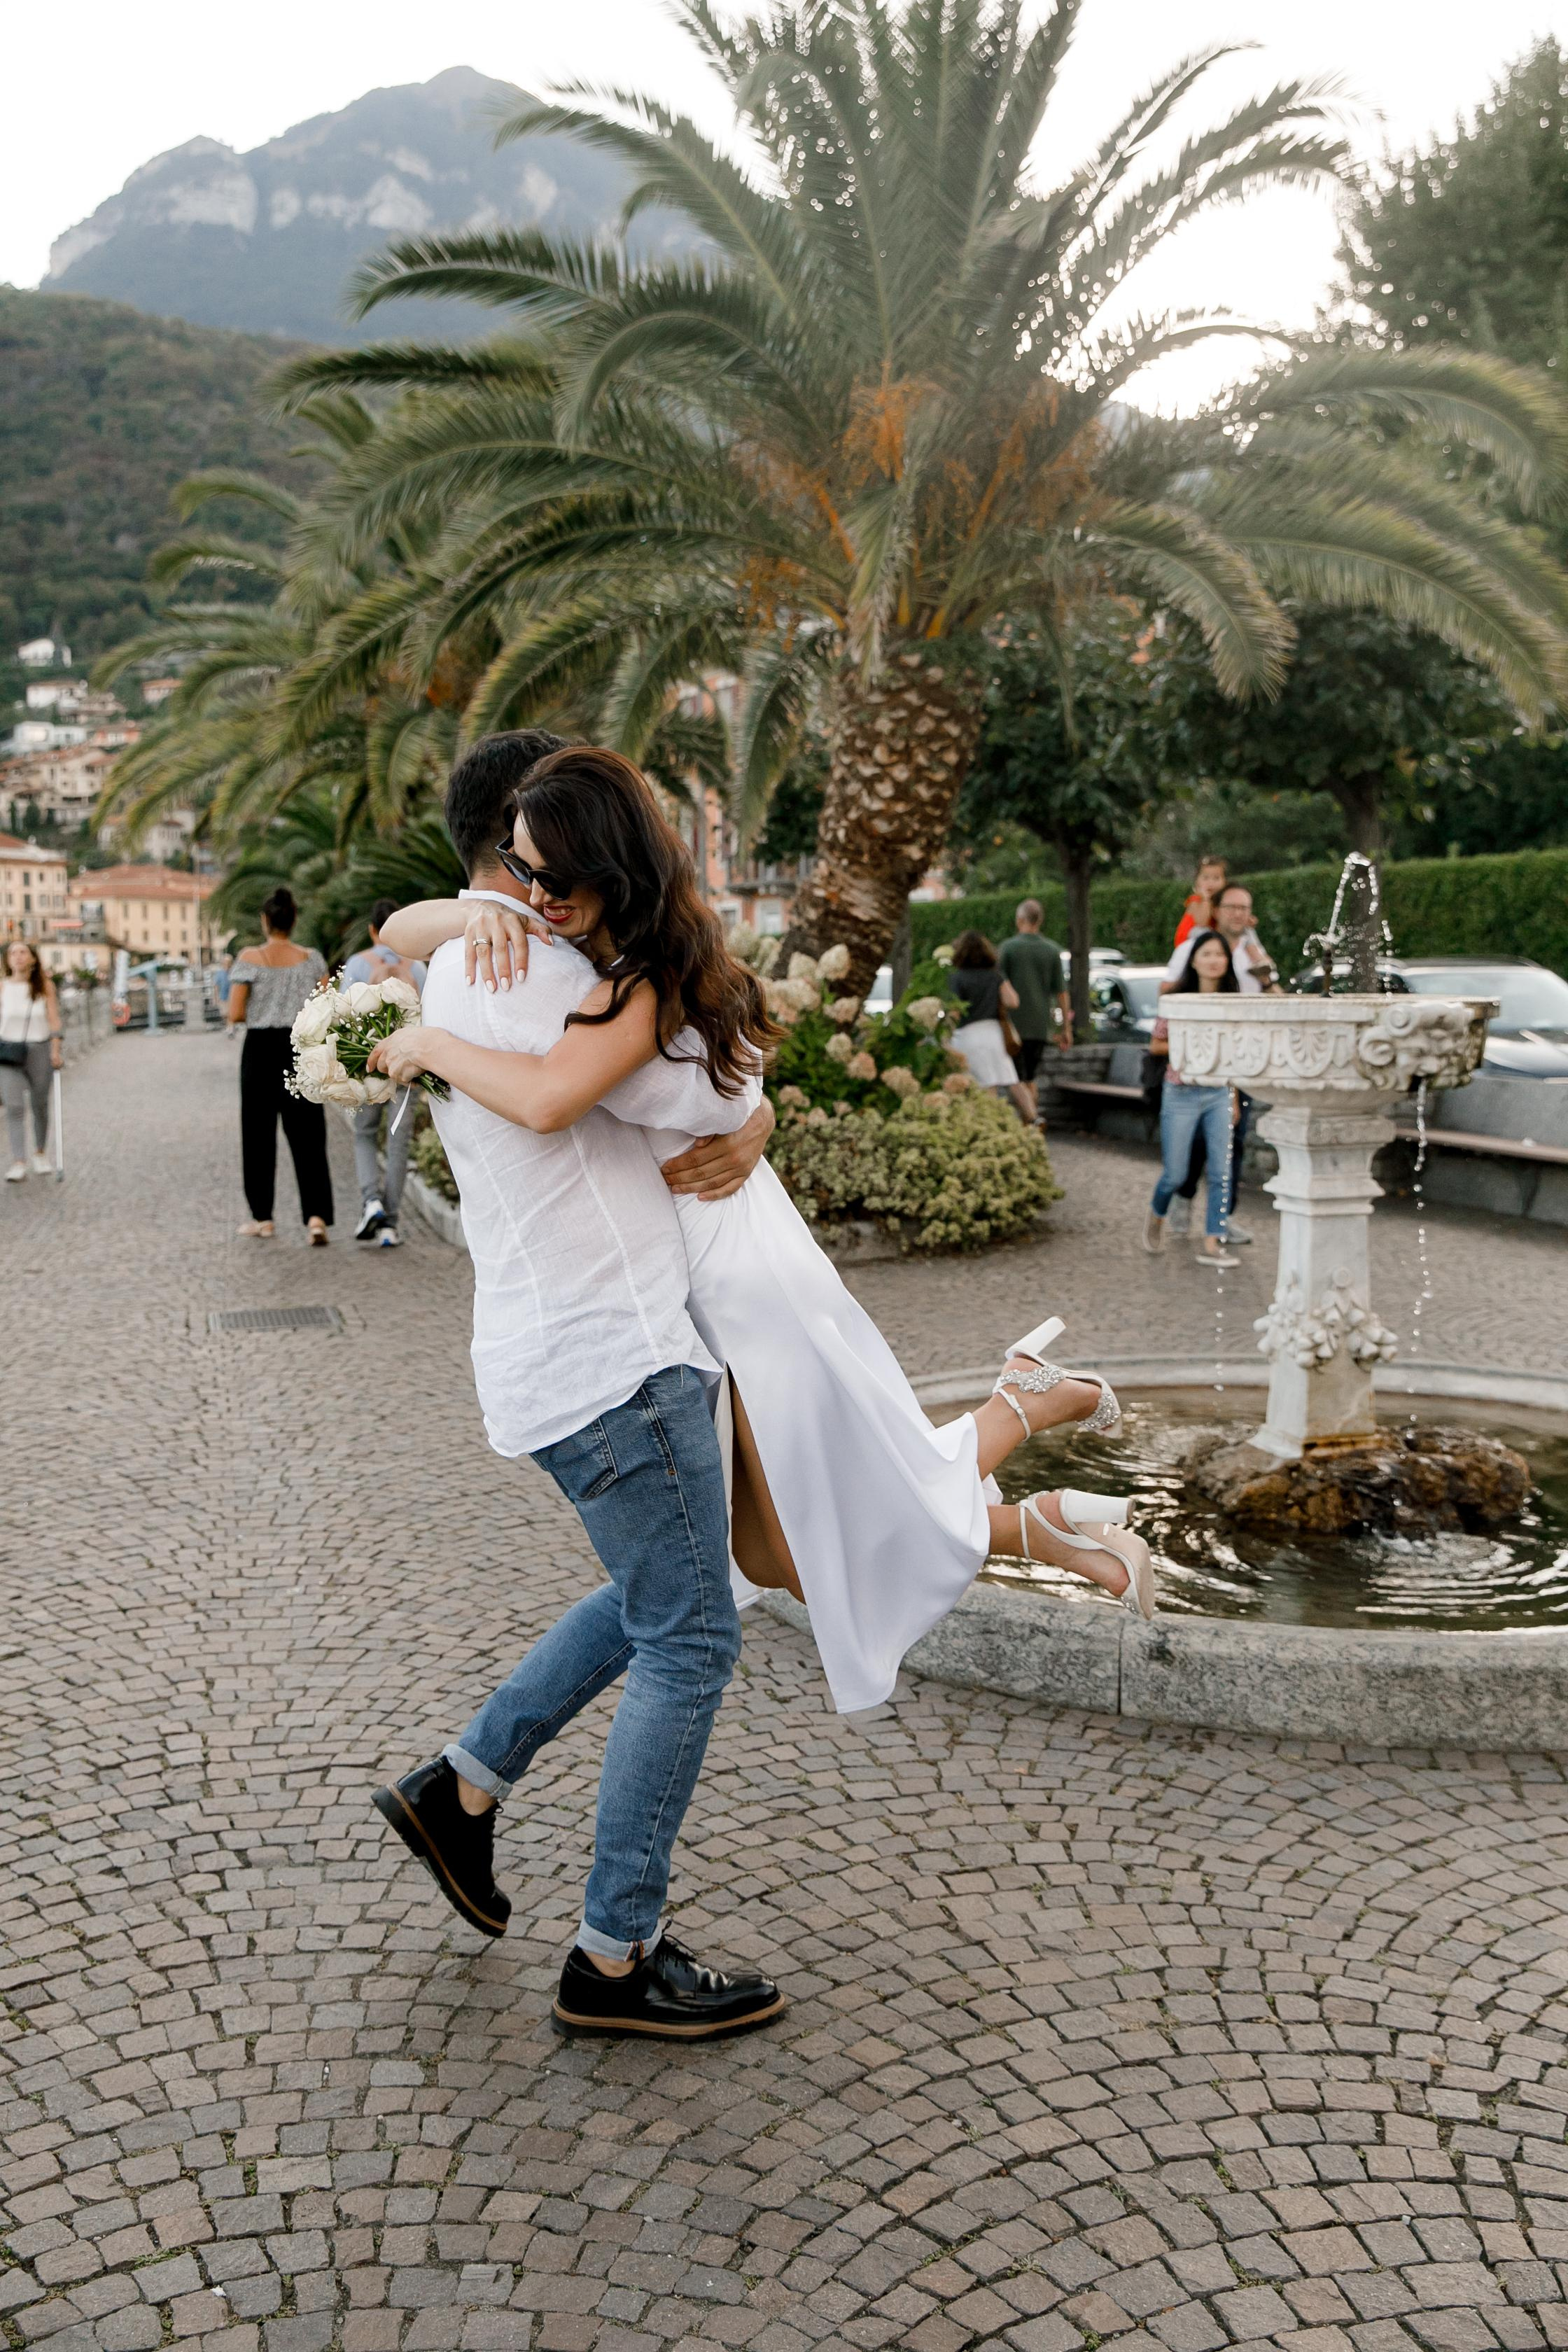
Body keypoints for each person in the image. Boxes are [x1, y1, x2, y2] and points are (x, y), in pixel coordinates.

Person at [367, 739, 1152, 2031]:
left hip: (601, 1344)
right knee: (695, 1629)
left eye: (555, 879)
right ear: (501, 859)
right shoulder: (529, 967)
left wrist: (434, 1018)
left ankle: (462, 1790)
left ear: (604, 872)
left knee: (690, 1582)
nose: (537, 898)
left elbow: (663, 1074)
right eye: (521, 873)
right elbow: (573, 1089)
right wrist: (445, 1008)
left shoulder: (536, 975)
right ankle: (612, 1957)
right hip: (624, 1355)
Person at [1162, 882, 1278, 1244]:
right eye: (1232, 907)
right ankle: (1183, 1198)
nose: (1238, 914)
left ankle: (1222, 1219)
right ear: (1219, 910)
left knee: (1234, 1142)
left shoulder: (1252, 954)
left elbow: (1277, 1002)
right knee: (1197, 1141)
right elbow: (1167, 995)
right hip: (1199, 1062)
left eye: (1245, 908)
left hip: (1238, 1061)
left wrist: (1266, 975)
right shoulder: (1193, 947)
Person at [227, 888, 332, 1243]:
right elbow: (325, 1007)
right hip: (301, 1049)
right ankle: (316, 1218)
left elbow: (235, 1012)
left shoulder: (249, 958)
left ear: (265, 920)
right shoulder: (313, 958)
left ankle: (263, 1218)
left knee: (257, 1133)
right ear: (294, 919)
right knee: (309, 1134)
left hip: (260, 1049)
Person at [1143, 930, 1242, 1266]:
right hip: (1181, 1092)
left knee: (1221, 1172)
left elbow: (1236, 1055)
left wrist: (1234, 1097)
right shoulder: (1176, 996)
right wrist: (1193, 1043)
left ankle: (1213, 1241)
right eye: (1207, 954)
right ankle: (1157, 1215)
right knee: (1175, 1173)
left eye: (1220, 954)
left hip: (1218, 1092)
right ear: (1194, 960)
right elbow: (1156, 1044)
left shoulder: (1233, 1000)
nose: (1214, 960)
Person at [340, 897, 428, 1247]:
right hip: (407, 1065)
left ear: (372, 930)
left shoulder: (358, 964)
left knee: (364, 1134)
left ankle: (370, 1202)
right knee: (397, 1140)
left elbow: (344, 1017)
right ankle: (390, 1224)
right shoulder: (418, 967)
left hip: (368, 1063)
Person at [946, 930, 1036, 1124]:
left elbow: (954, 1012)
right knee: (1007, 1080)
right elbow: (1013, 1001)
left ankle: (986, 1126)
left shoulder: (956, 978)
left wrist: (944, 1037)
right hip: (994, 1034)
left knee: (978, 1083)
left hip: (967, 1036)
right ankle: (1034, 1118)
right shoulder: (995, 975)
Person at [997, 899, 1070, 1119]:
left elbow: (999, 987)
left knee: (1017, 1078)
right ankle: (1032, 1125)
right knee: (1029, 1077)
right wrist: (1065, 1027)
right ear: (1040, 920)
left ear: (1019, 920)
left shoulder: (1008, 949)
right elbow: (1061, 992)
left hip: (1013, 1026)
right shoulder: (1051, 951)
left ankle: (1031, 1123)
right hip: (1040, 1026)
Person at [1, 941, 62, 1181]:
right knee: (14, 1107)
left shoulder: (44, 987)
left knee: (39, 1104)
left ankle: (40, 1153)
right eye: (12, 953)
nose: (17, 957)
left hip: (39, 1050)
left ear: (33, 959)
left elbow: (54, 1021)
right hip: (8, 1053)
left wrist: (56, 1050)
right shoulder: (2, 987)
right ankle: (18, 1161)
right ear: (7, 961)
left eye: (22, 952)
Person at [1173, 855, 1227, 948]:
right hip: (1187, 941)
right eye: (1206, 878)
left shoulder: (1222, 901)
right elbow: (1201, 923)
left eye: (1216, 878)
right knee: (1204, 932)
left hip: (1206, 940)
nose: (1211, 883)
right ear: (1197, 882)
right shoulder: (1196, 900)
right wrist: (1206, 899)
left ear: (1224, 882)